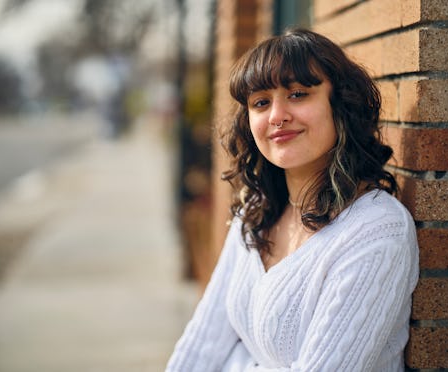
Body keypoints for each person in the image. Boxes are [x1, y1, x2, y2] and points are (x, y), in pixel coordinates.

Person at [166, 28, 419, 372]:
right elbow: (203, 343)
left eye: (298, 94)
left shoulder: (376, 230)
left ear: (340, 105)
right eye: (261, 102)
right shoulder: (256, 213)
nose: (276, 116)